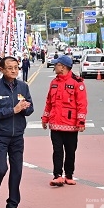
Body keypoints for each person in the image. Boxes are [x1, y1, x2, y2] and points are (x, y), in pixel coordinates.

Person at [0, 56, 34, 208]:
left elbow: (30, 108)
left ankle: (12, 206)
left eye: (16, 67)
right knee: (1, 169)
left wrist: (25, 108)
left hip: (17, 135)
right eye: (10, 68)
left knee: (17, 171)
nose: (14, 70)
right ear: (1, 69)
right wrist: (13, 110)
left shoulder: (23, 87)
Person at [42, 54, 88, 187]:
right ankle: (57, 175)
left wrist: (81, 122)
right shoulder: (54, 82)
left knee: (70, 151)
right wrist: (45, 118)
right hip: (55, 124)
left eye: (56, 64)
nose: (54, 66)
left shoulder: (77, 83)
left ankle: (69, 175)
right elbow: (49, 102)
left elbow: (82, 104)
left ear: (63, 67)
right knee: (57, 150)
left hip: (71, 124)